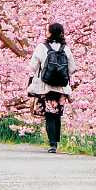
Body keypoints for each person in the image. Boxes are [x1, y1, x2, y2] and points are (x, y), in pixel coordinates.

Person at [27, 22, 74, 153]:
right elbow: (72, 68)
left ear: (50, 33)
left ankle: (52, 144)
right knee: (57, 114)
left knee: (49, 114)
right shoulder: (66, 48)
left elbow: (33, 66)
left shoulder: (42, 47)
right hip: (61, 88)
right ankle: (56, 142)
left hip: (46, 87)